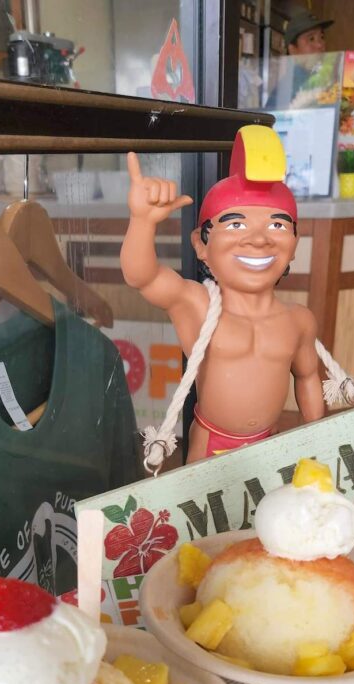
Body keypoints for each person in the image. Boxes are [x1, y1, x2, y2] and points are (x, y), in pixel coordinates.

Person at [120, 125, 325, 466]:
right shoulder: (197, 305)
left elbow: (307, 378)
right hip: (210, 445)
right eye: (236, 225)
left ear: (294, 246)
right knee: (207, 520)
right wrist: (142, 220)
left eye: (278, 225)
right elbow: (142, 276)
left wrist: (317, 442)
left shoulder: (298, 319)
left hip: (270, 444)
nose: (259, 239)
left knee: (266, 516)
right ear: (201, 244)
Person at [266, 9, 334, 109]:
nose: (320, 44)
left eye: (322, 37)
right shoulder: (290, 89)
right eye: (311, 39)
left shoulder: (318, 79)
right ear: (293, 50)